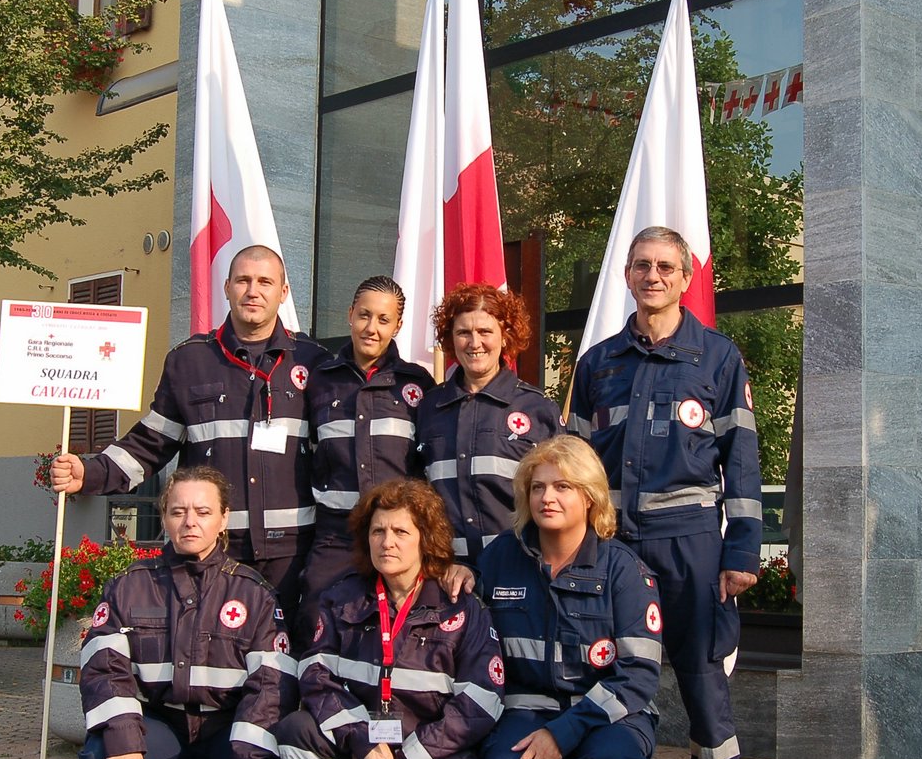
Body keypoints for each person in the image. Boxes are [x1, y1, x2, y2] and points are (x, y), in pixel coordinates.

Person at [567, 225, 761, 759]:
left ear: (685, 278)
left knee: (704, 686)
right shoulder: (598, 363)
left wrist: (743, 550)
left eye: (666, 267)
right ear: (627, 275)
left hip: (694, 550)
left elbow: (743, 462)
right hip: (615, 551)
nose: (653, 276)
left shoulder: (718, 358)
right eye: (642, 266)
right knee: (606, 679)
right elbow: (574, 463)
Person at [52, 246, 330, 626]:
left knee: (284, 661)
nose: (253, 291)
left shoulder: (313, 361)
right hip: (212, 550)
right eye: (244, 280)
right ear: (227, 287)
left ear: (283, 292)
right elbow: (152, 442)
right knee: (210, 655)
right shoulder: (190, 361)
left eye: (265, 282)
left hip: (290, 553)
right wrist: (91, 473)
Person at [274, 478, 504, 759]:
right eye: (378, 531)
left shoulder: (461, 607)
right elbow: (315, 675)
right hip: (363, 750)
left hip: (430, 752)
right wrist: (363, 742)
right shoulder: (339, 598)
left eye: (401, 532)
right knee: (296, 731)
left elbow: (480, 703)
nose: (388, 542)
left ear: (425, 539)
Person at [76, 466, 296, 759]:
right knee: (102, 755)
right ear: (164, 518)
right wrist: (124, 739)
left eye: (202, 511)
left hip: (226, 730)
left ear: (224, 518)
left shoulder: (254, 593)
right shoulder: (129, 585)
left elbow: (272, 684)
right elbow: (105, 669)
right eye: (178, 511)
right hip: (161, 724)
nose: (189, 521)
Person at [477, 436, 662, 759]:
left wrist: (564, 731)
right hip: (528, 709)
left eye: (563, 487)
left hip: (606, 713)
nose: (548, 498)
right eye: (538, 488)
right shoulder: (501, 557)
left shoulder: (623, 569)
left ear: (590, 497)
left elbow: (639, 673)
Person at [298, 275, 435, 645]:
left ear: (398, 326)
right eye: (364, 315)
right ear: (350, 315)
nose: (371, 328)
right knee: (315, 624)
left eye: (383, 320)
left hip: (398, 538)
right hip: (335, 536)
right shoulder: (320, 382)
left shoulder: (418, 385)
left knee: (397, 634)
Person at [414, 283, 561, 568]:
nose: (474, 343)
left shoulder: (538, 408)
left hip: (521, 566)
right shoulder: (428, 409)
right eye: (463, 333)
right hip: (447, 570)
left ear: (505, 337)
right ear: (450, 339)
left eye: (485, 332)